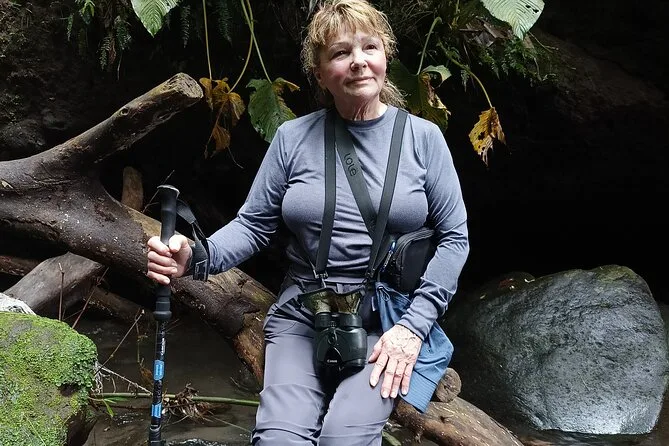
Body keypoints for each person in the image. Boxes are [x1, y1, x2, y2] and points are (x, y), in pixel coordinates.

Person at [146, 0, 469, 444]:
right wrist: (196, 257)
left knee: (344, 437)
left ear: (385, 57)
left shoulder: (423, 138)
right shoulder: (292, 138)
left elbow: (455, 239)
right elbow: (253, 225)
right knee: (280, 438)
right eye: (341, 53)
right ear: (319, 74)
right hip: (305, 313)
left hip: (388, 319)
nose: (358, 61)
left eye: (369, 47)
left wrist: (413, 328)